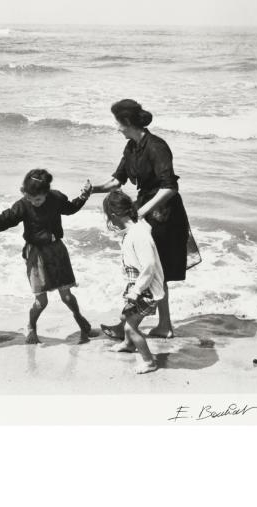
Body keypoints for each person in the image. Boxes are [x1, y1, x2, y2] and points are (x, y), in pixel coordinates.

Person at [90, 99, 200, 339]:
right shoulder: (131, 147)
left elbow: (170, 188)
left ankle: (147, 326)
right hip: (145, 210)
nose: (116, 128)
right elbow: (117, 180)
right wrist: (94, 189)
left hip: (165, 215)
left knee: (151, 269)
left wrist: (141, 212)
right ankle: (155, 324)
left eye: (118, 123)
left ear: (128, 123)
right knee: (147, 268)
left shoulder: (157, 146)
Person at [0, 169, 94, 345]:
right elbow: (5, 218)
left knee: (66, 296)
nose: (33, 202)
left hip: (57, 250)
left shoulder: (56, 198)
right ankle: (32, 327)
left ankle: (79, 318)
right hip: (36, 254)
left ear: (46, 193)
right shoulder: (23, 204)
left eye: (38, 199)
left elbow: (71, 208)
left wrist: (84, 196)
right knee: (41, 301)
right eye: (30, 198)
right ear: (25, 193)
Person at [102, 190, 163, 374]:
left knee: (130, 326)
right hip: (137, 285)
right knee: (125, 316)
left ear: (113, 215)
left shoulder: (139, 234)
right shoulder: (135, 229)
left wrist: (136, 291)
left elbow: (150, 265)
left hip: (146, 289)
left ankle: (149, 361)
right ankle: (128, 345)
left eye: (108, 217)